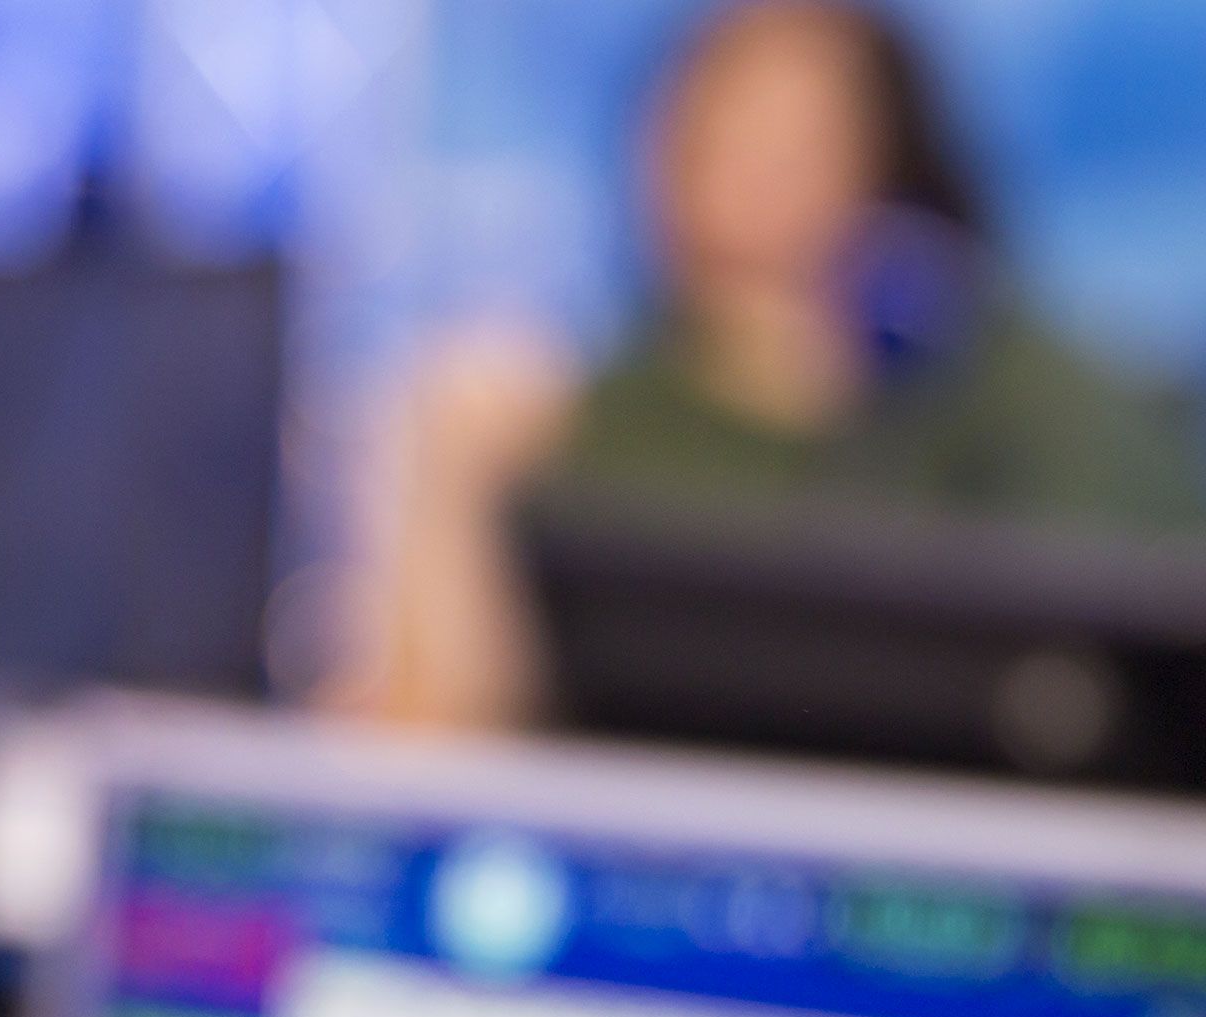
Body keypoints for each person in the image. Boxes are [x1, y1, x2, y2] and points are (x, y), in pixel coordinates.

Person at [333, 0, 1202, 729]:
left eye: (793, 137)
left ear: (886, 161)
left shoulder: (993, 379)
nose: (743, 175)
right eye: (713, 129)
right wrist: (450, 487)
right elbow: (434, 739)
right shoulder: (584, 417)